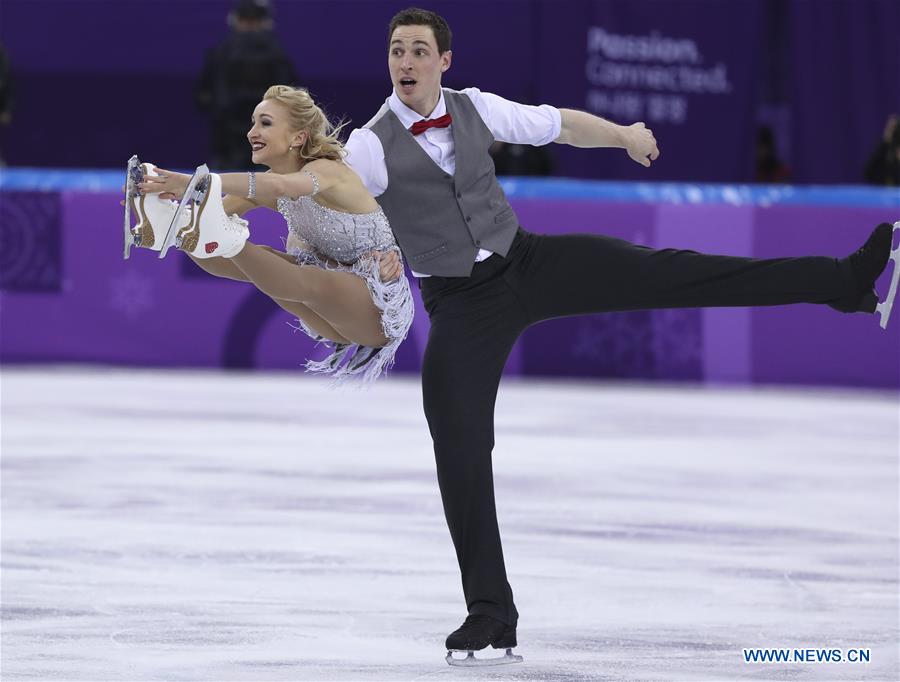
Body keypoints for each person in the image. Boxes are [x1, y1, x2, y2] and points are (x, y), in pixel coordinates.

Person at [342, 6, 897, 664]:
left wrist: (625, 134)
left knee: (669, 274)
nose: (405, 62)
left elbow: (560, 124)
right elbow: (341, 210)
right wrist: (364, 252)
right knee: (458, 447)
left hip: (529, 262)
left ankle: (845, 281)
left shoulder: (474, 106)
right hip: (460, 303)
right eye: (396, 51)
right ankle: (491, 610)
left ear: (444, 61)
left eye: (417, 50)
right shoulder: (370, 145)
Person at [131, 85, 412, 383]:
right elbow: (207, 232)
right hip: (327, 313)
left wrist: (195, 183)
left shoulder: (330, 172)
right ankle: (170, 230)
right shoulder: (267, 184)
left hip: (376, 307)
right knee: (229, 251)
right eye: (253, 122)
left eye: (265, 123)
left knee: (278, 263)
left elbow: (281, 187)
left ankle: (227, 240)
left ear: (298, 137)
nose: (252, 132)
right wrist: (175, 216)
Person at [195, 0, 298, 170]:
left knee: (230, 183)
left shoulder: (221, 51)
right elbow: (291, 93)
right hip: (256, 133)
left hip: (231, 134)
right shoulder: (277, 53)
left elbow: (203, 96)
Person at [864, 114, 900, 186]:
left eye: (895, 128)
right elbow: (868, 173)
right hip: (882, 192)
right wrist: (885, 143)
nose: (893, 131)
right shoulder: (883, 149)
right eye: (891, 128)